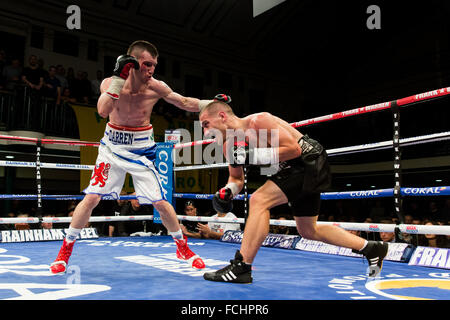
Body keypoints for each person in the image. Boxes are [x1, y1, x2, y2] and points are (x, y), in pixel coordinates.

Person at [50, 40, 218, 274]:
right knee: (91, 198)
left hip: (143, 148)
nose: (151, 70)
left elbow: (183, 102)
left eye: (154, 65)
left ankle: (182, 248)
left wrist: (212, 104)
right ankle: (64, 252)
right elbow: (102, 110)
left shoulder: (155, 86)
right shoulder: (112, 82)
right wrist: (119, 78)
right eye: (147, 64)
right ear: (132, 62)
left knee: (161, 202)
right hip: (112, 148)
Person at [199, 100, 389, 283]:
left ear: (222, 116)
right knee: (308, 230)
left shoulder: (258, 122)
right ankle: (371, 248)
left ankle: (242, 267)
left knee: (259, 200)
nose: (206, 132)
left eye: (206, 124)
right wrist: (227, 191)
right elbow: (236, 179)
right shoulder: (228, 146)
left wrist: (252, 155)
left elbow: (293, 149)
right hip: (288, 168)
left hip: (308, 160)